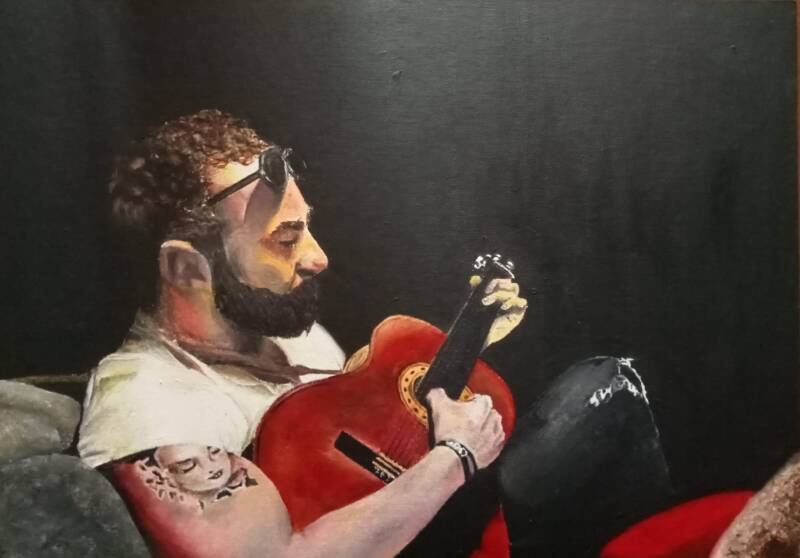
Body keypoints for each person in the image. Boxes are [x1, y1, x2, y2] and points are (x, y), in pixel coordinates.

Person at [78, 109, 671, 557]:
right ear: (186, 268)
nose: (318, 257)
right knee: (605, 393)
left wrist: (466, 341)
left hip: (438, 525)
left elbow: (362, 451)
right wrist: (457, 457)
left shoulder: (283, 335)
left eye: (307, 229)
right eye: (286, 239)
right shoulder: (145, 403)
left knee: (603, 390)